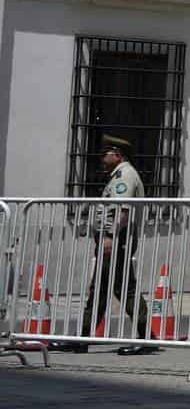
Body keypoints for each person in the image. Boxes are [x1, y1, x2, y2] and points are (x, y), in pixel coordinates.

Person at [59, 136, 157, 355]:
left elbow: (123, 210)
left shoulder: (125, 175)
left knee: (122, 289)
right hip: (112, 240)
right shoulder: (118, 175)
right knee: (105, 289)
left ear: (117, 154)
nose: (102, 158)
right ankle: (84, 338)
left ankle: (146, 338)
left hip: (117, 240)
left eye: (106, 154)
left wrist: (111, 237)